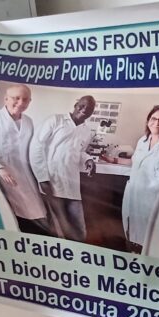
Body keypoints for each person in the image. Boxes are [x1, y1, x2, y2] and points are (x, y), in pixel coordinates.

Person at [102, 105, 159, 253]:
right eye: (153, 118)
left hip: (152, 199)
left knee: (149, 240)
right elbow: (135, 161)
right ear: (148, 121)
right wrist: (113, 160)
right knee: (131, 234)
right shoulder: (143, 141)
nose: (156, 123)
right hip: (134, 193)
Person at [0, 83, 50, 236]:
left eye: (25, 99)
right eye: (16, 98)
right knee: (7, 219)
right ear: (6, 99)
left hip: (25, 177)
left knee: (35, 216)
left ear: (30, 102)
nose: (20, 103)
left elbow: (32, 150)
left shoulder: (28, 121)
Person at [29, 95, 96, 242]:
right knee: (57, 229)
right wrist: (42, 177)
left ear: (92, 112)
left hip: (72, 185)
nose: (85, 110)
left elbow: (78, 152)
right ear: (75, 105)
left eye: (90, 108)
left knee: (79, 229)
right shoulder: (55, 120)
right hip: (51, 182)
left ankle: (78, 251)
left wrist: (88, 159)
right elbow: (36, 147)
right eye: (82, 105)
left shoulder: (86, 131)